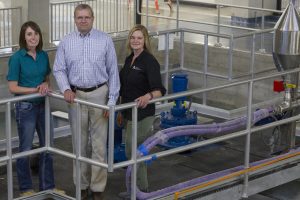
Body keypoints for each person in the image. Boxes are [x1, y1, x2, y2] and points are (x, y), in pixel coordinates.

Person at [53, 4, 120, 200]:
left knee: (99, 146)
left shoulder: (105, 40)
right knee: (78, 144)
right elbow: (58, 69)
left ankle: (97, 188)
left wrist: (112, 102)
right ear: (74, 19)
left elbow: (113, 71)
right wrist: (65, 88)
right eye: (79, 17)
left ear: (93, 18)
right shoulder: (66, 41)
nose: (83, 20)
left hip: (100, 94)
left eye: (86, 17)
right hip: (76, 97)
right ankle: (81, 186)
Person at [6, 21, 64, 197]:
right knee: (25, 149)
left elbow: (46, 78)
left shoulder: (43, 55)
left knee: (48, 146)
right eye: (30, 34)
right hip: (26, 107)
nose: (33, 37)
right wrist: (36, 89)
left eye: (36, 34)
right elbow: (13, 87)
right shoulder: (17, 58)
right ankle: (26, 189)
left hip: (43, 105)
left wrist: (45, 84)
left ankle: (48, 186)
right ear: (24, 37)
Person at [118, 24, 166, 198]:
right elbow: (124, 87)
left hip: (143, 115)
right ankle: (135, 189)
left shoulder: (149, 61)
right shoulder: (130, 59)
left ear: (145, 40)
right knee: (131, 152)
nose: (135, 41)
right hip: (129, 113)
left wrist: (148, 96)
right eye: (133, 37)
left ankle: (142, 190)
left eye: (139, 38)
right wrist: (120, 110)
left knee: (135, 152)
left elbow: (160, 90)